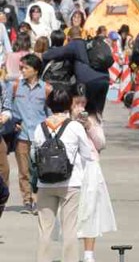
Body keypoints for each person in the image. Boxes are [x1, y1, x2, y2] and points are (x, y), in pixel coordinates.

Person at [31, 86, 104, 262]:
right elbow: (87, 154)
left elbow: (34, 156)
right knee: (69, 228)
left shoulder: (40, 127)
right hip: (70, 183)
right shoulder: (74, 127)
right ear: (68, 104)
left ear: (49, 105)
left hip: (45, 184)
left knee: (45, 229)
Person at [73, 86, 116, 261]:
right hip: (70, 168)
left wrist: (89, 126)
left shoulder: (93, 118)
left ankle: (88, 254)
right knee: (71, 211)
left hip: (90, 166)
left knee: (91, 210)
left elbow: (101, 143)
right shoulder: (63, 118)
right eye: (77, 103)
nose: (81, 107)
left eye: (84, 103)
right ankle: (70, 251)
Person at [4, 52, 47, 213]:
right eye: (21, 67)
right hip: (21, 136)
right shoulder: (15, 87)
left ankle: (38, 200)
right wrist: (13, 121)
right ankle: (27, 201)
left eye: (26, 68)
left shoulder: (46, 89)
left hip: (40, 137)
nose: (22, 70)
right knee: (24, 171)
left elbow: (49, 112)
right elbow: (8, 107)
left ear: (35, 70)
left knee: (38, 169)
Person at [41, 25, 110, 117]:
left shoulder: (75, 44)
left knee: (83, 110)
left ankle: (84, 128)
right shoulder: (88, 44)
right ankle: (97, 128)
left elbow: (52, 54)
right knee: (97, 113)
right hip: (104, 79)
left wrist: (41, 54)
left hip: (88, 82)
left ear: (68, 37)